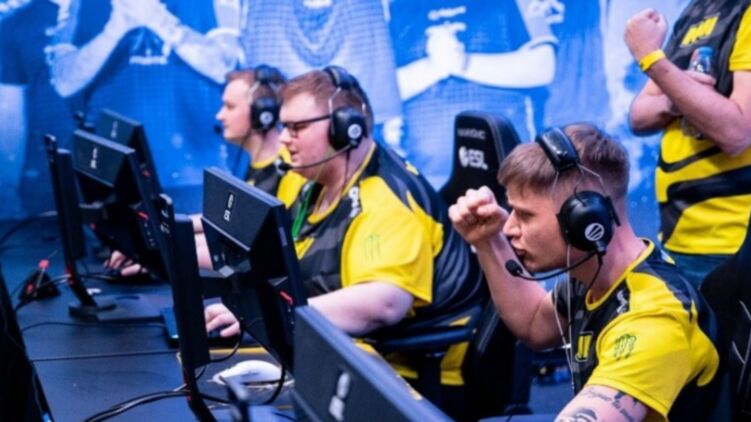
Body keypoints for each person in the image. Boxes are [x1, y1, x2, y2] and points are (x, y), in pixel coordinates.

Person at [204, 67, 485, 417]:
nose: (284, 139)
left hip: (406, 382)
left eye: (297, 128)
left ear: (346, 129)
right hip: (346, 356)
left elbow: (383, 303)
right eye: (284, 126)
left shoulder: (385, 200)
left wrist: (270, 313)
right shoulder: (313, 184)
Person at [449, 124, 726, 421]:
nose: (509, 227)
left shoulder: (655, 319)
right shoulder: (596, 276)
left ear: (585, 218)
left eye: (525, 215)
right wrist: (487, 241)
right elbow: (535, 324)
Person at [45, 0, 244, 210]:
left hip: (196, 172)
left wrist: (158, 19)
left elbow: (225, 66)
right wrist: (116, 27)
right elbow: (63, 81)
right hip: (115, 173)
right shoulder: (84, 4)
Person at [625, 3, 751, 286]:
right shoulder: (694, 13)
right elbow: (640, 115)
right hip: (677, 240)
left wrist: (650, 57)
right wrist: (681, 98)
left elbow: (737, 132)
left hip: (731, 243)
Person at [387, 0, 557, 187]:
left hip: (509, 171)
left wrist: (464, 64)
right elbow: (379, 90)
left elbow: (543, 66)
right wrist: (433, 67)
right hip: (427, 175)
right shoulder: (396, 7)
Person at [0, 0, 79, 217]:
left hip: (108, 166)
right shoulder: (18, 23)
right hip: (46, 170)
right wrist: (7, 185)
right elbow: (10, 112)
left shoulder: (112, 11)